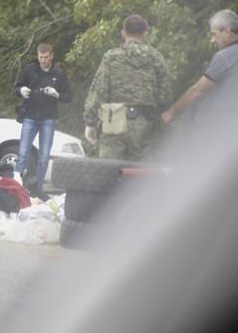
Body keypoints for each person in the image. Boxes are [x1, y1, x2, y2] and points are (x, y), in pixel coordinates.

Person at [83, 14, 172, 161]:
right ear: (145, 33)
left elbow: (99, 91)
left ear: (123, 32)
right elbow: (165, 96)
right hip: (144, 119)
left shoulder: (111, 57)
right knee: (139, 176)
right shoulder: (156, 57)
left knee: (109, 172)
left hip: (114, 116)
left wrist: (90, 122)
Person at [162, 9, 238, 125]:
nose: (212, 40)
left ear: (227, 31)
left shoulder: (225, 56)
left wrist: (171, 113)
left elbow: (197, 92)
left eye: (214, 34)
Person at [13, 43, 72, 199]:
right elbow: (16, 88)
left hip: (48, 118)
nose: (43, 61)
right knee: (23, 153)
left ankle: (37, 188)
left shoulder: (58, 74)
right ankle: (17, 187)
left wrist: (56, 94)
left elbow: (68, 97)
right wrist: (21, 91)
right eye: (40, 57)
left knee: (44, 156)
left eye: (46, 57)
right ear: (37, 56)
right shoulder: (30, 70)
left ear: (52, 56)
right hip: (30, 117)